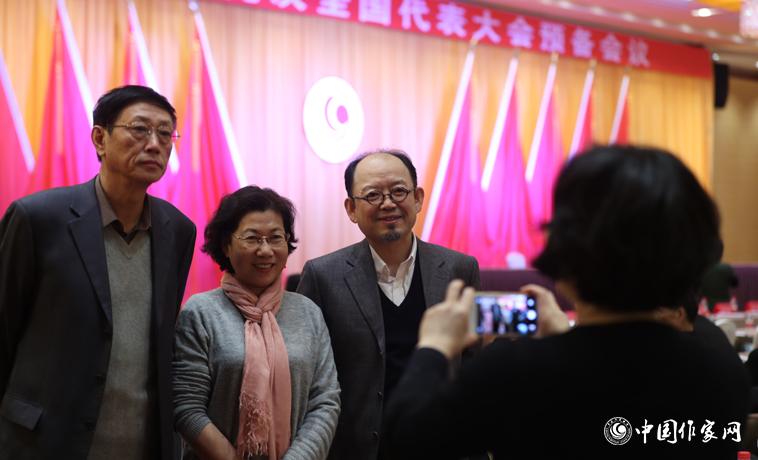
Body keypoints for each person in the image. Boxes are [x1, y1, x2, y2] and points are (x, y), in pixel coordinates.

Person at [384, 145, 750, 459]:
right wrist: (565, 335)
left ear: (568, 253)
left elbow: (408, 438)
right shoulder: (719, 362)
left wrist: (435, 345)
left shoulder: (517, 371)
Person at [0, 85, 196, 459]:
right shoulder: (37, 219)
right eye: (139, 129)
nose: (154, 144)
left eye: (165, 134)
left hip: (140, 444)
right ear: (100, 139)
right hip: (42, 442)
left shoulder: (178, 231)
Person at [297, 149, 480, 459]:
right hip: (356, 449)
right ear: (351, 209)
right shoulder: (322, 276)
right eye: (372, 195)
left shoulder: (459, 269)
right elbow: (307, 376)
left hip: (442, 445)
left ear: (418, 198)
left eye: (398, 191)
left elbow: (473, 363)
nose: (388, 203)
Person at [173, 186, 340, 460]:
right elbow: (186, 406)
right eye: (252, 238)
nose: (265, 250)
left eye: (275, 238)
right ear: (226, 245)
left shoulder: (308, 312)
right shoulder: (201, 312)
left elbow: (325, 400)